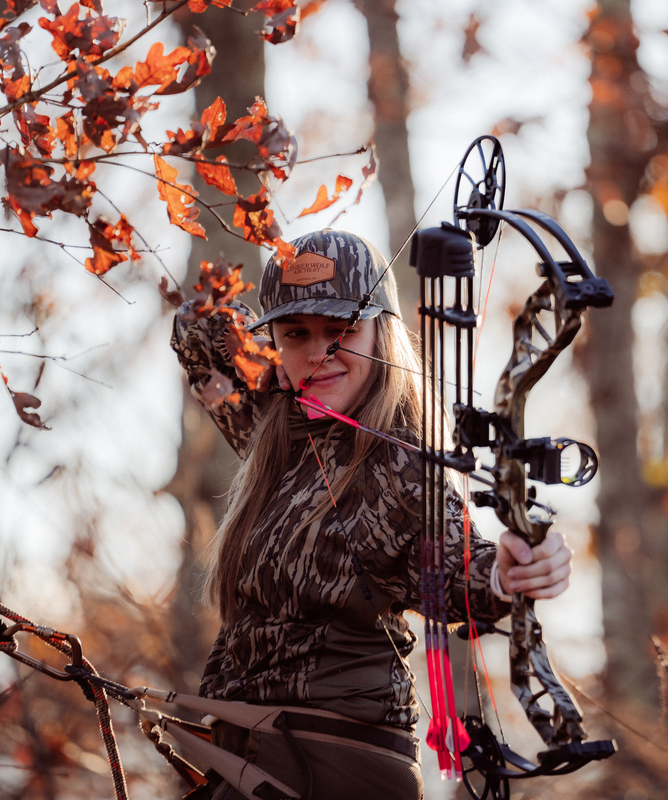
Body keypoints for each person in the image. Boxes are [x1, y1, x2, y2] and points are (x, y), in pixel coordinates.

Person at [171, 229, 573, 800]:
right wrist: (270, 354)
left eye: (342, 330)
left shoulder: (397, 463)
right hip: (256, 757)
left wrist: (511, 572)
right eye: (296, 334)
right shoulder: (275, 433)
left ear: (381, 333)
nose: (319, 353)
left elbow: (458, 569)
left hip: (336, 766)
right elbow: (195, 329)